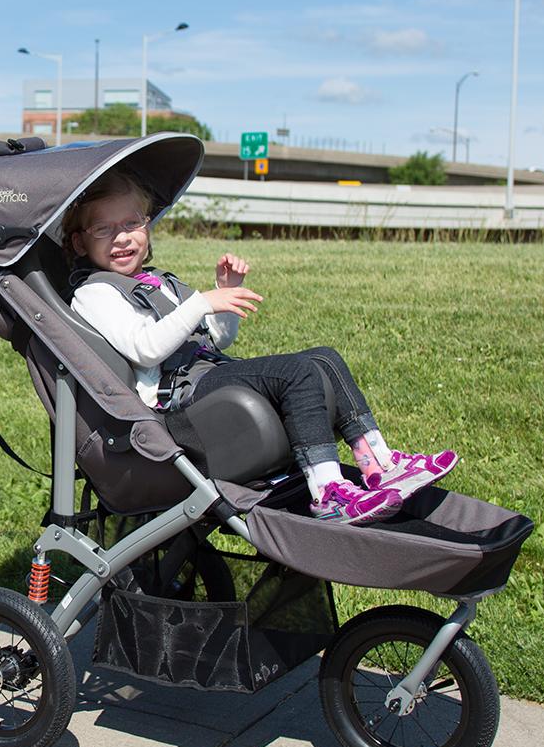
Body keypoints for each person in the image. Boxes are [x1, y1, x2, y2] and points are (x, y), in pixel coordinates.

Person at [63, 169, 458, 525]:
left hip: (206, 375)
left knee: (324, 357)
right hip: (177, 398)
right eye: (104, 230)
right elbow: (145, 349)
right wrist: (201, 303)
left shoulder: (159, 281)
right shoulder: (96, 292)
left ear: (148, 227)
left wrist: (224, 295)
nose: (121, 237)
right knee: (296, 372)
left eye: (132, 222)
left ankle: (378, 462)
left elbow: (214, 339)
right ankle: (329, 492)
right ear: (80, 243)